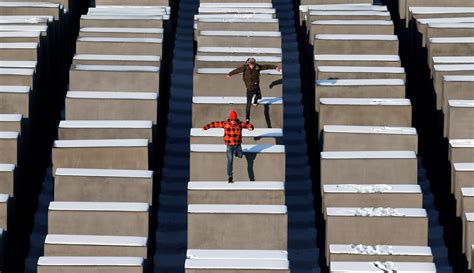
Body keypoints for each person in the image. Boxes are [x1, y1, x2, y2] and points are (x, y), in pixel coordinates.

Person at [202, 111, 254, 183]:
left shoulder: (239, 124)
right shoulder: (225, 124)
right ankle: (230, 176)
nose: (233, 121)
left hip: (237, 144)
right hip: (229, 145)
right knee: (230, 160)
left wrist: (251, 127)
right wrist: (206, 127)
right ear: (230, 119)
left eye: (234, 120)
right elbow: (215, 124)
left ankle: (237, 153)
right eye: (232, 120)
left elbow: (247, 125)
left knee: (241, 155)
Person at [226, 58, 281, 123]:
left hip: (256, 87)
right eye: (250, 65)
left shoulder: (258, 67)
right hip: (249, 89)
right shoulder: (244, 68)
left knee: (260, 97)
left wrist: (275, 67)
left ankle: (255, 100)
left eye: (253, 65)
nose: (252, 66)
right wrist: (230, 74)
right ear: (248, 64)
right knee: (248, 104)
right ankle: (247, 119)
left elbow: (266, 66)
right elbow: (237, 70)